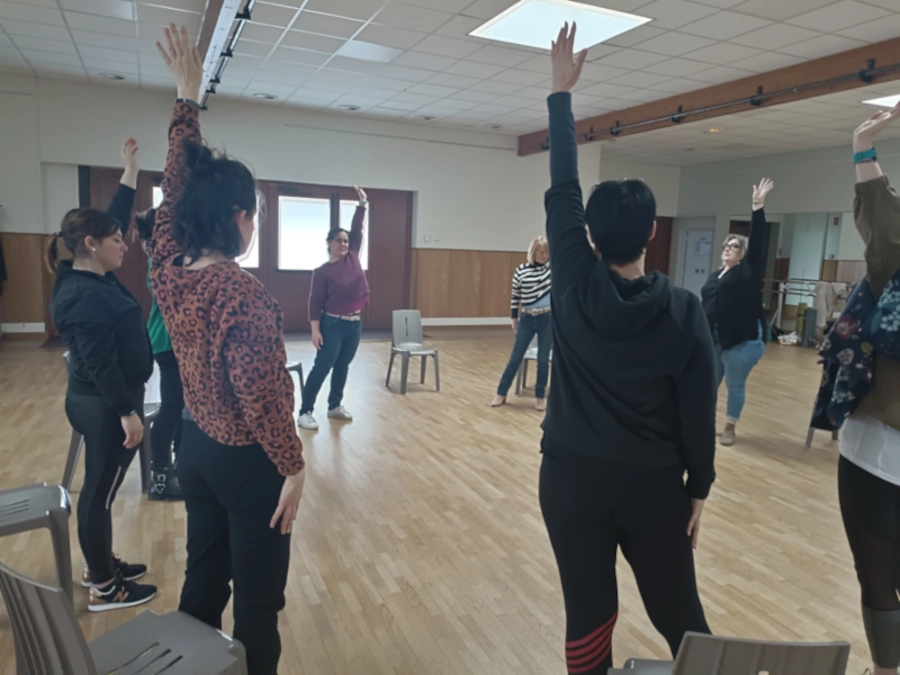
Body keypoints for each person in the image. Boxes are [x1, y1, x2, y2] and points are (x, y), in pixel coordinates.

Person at [538, 24, 716, 674]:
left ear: (588, 236)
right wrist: (701, 484)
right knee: (681, 615)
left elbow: (562, 186)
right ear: (650, 234)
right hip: (652, 484)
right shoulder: (684, 309)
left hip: (569, 478)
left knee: (589, 614)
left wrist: (560, 95)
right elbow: (699, 410)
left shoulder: (573, 281)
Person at [152, 26, 306, 675]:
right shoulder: (243, 296)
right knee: (259, 602)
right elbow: (262, 396)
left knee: (205, 575)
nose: (256, 224)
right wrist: (294, 465)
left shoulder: (168, 265)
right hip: (248, 460)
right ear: (239, 217)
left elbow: (171, 195)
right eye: (256, 215)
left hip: (196, 446)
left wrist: (186, 101)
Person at [48, 138, 158, 611]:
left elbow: (113, 213)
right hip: (106, 406)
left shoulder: (88, 272)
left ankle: (102, 564)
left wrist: (130, 170)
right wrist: (128, 413)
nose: (125, 243)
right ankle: (104, 587)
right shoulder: (86, 295)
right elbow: (100, 364)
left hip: (99, 403)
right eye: (117, 239)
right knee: (100, 493)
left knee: (101, 490)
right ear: (92, 245)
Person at [815, 104, 900, 675]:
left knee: (876, 569)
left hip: (879, 446)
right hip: (878, 445)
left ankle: (889, 668)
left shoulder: (891, 265)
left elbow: (884, 227)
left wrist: (864, 149)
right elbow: (886, 224)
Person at [700, 178, 773, 446]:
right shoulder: (716, 275)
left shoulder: (748, 271)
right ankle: (706, 423)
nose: (727, 248)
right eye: (725, 246)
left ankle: (730, 426)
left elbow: (758, 239)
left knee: (735, 384)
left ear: (742, 252)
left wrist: (757, 207)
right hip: (715, 338)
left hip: (742, 339)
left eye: (733, 246)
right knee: (708, 385)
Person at [297, 185, 370, 431]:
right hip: (332, 325)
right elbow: (314, 303)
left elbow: (358, 229)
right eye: (338, 240)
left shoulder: (353, 256)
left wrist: (361, 205)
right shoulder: (322, 272)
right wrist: (315, 331)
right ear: (329, 243)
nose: (343, 243)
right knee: (323, 366)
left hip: (354, 325)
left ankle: (334, 406)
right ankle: (305, 411)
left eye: (346, 240)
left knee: (343, 366)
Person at [134, 207, 183, 501]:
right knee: (173, 407)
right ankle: (160, 478)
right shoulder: (162, 263)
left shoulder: (171, 259)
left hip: (177, 342)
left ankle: (180, 464)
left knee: (181, 406)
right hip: (167, 342)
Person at [492, 235, 552, 411]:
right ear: (533, 252)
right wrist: (514, 318)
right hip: (526, 318)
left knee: (543, 360)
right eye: (540, 252)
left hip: (547, 319)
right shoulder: (521, 270)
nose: (543, 255)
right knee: (515, 357)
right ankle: (501, 393)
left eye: (546, 252)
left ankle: (539, 396)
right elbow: (515, 296)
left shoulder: (552, 270)